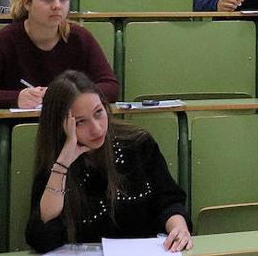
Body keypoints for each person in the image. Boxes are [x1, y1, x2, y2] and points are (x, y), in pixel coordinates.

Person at [24, 71, 191, 253]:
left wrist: (179, 228)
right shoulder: (56, 162)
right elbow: (41, 237)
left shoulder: (137, 143)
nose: (96, 129)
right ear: (61, 126)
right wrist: (62, 164)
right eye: (80, 122)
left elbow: (167, 200)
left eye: (98, 113)